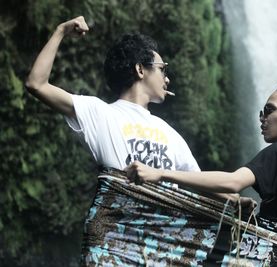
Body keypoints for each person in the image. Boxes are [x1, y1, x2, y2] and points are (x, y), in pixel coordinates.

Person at [26, 16, 244, 266]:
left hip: (161, 246)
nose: (167, 78)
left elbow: (202, 184)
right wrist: (60, 31)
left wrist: (237, 203)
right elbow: (36, 84)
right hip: (112, 241)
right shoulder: (100, 113)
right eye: (162, 69)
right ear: (141, 69)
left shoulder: (170, 133)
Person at [130, 85, 277, 266]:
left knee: (169, 244)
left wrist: (161, 174)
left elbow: (233, 182)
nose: (262, 118)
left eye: (269, 111)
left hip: (257, 254)